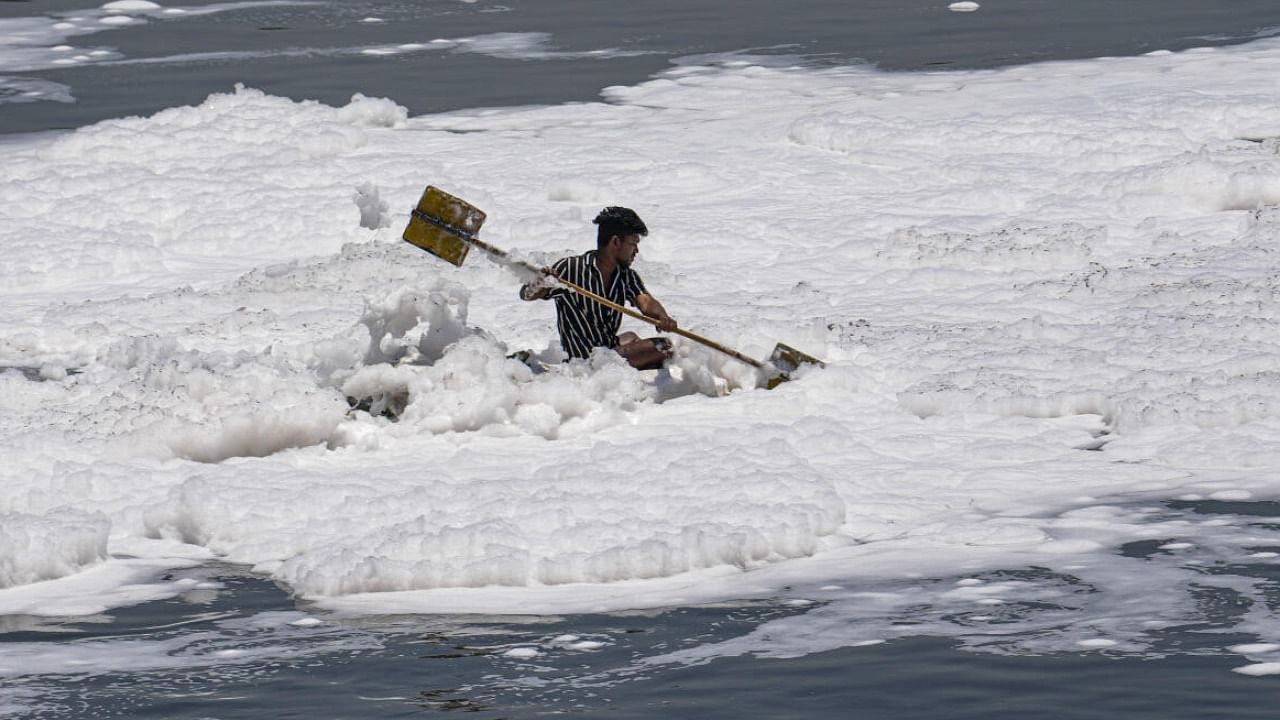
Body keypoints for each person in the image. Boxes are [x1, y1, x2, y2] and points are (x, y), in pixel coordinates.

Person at [519, 206, 677, 370]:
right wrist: (541, 283)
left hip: (608, 349)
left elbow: (645, 301)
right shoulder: (572, 268)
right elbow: (526, 294)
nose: (636, 251)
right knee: (664, 347)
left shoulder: (625, 275)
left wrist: (662, 316)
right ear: (615, 242)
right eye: (633, 244)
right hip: (586, 361)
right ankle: (616, 368)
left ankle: (628, 365)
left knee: (631, 337)